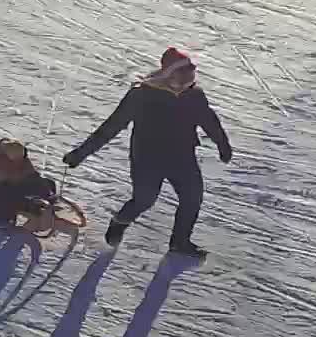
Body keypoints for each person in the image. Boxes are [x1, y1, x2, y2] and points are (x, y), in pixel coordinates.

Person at [62, 47, 233, 258]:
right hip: (147, 158)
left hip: (182, 156)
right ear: (169, 74)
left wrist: (222, 144)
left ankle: (180, 242)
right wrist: (80, 153)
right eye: (183, 74)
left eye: (191, 74)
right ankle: (120, 221)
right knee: (145, 199)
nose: (189, 79)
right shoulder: (141, 95)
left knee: (192, 198)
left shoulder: (194, 95)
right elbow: (112, 126)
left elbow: (209, 121)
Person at [0, 139, 59, 227]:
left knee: (48, 183)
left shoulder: (23, 159)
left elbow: (33, 175)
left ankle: (47, 204)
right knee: (4, 194)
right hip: (6, 193)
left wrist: (46, 192)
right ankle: (4, 219)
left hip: (21, 185)